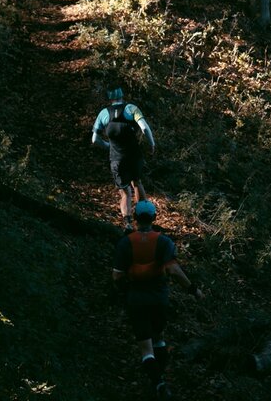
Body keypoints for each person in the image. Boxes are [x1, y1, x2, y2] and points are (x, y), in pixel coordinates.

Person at [112, 200, 204, 400]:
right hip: (159, 299)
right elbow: (173, 270)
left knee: (146, 348)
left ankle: (158, 383)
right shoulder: (164, 242)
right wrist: (193, 289)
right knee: (159, 338)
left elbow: (117, 276)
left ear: (135, 219)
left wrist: (124, 293)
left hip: (136, 299)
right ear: (154, 218)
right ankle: (160, 379)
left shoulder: (125, 243)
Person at [92, 87, 156, 229]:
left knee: (125, 192)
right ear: (122, 96)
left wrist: (108, 145)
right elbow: (144, 128)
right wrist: (152, 143)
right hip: (134, 156)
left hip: (116, 158)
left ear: (110, 98)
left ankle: (127, 224)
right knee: (137, 182)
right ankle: (144, 219)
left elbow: (94, 139)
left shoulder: (103, 113)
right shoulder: (131, 108)